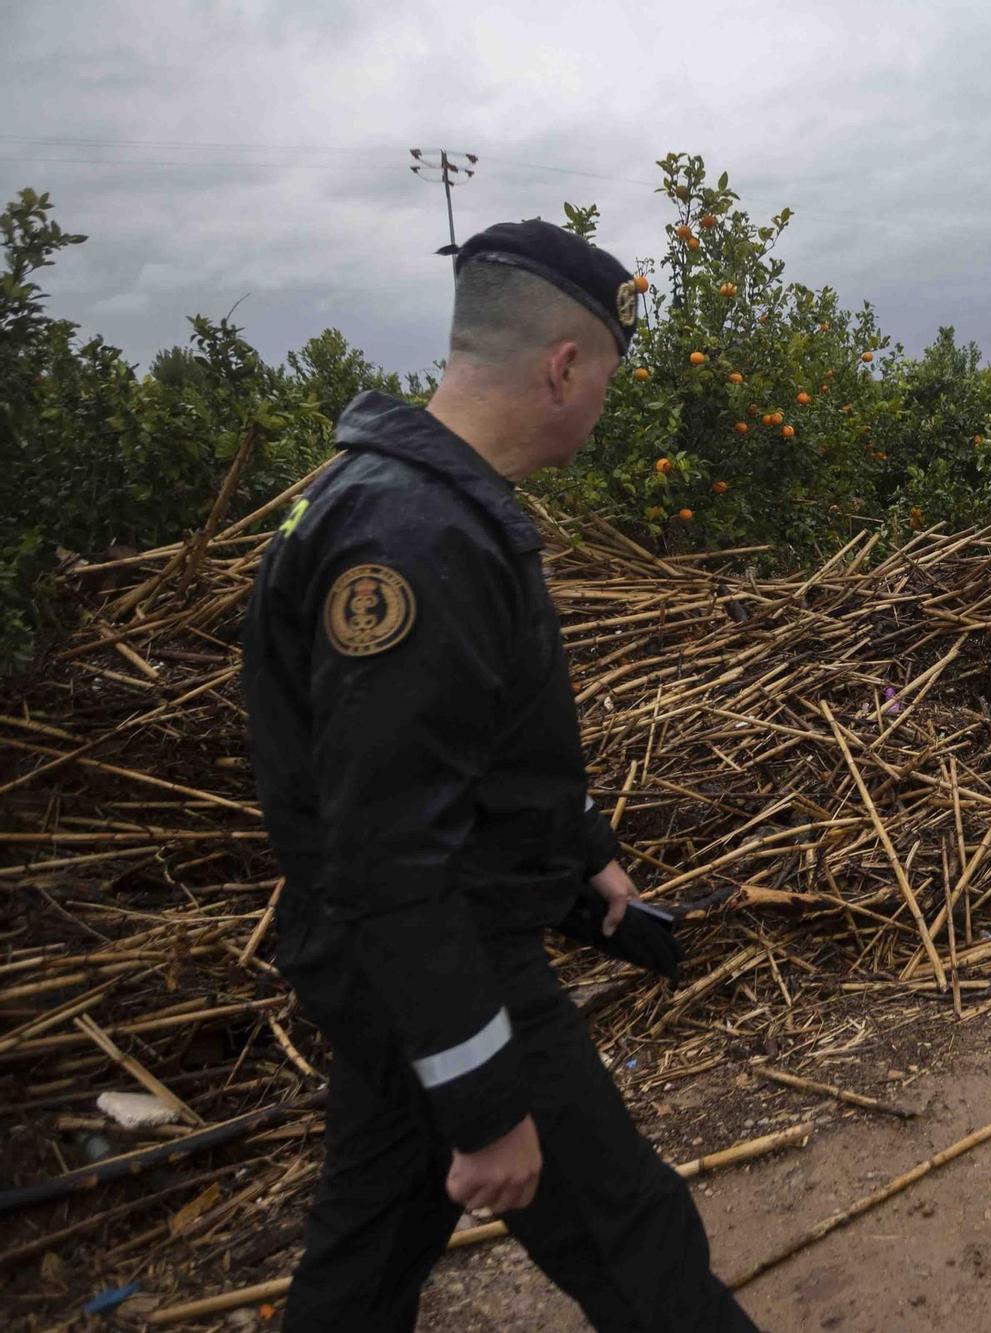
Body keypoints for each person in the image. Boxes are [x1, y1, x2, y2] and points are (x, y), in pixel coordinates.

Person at [242, 220, 757, 1332]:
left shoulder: (410, 502)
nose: (604, 408)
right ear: (564, 366)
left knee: (370, 1249)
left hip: (402, 965)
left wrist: (585, 856)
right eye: (607, 379)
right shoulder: (415, 536)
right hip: (442, 960)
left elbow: (461, 755)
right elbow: (387, 850)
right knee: (637, 1244)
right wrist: (483, 1102)